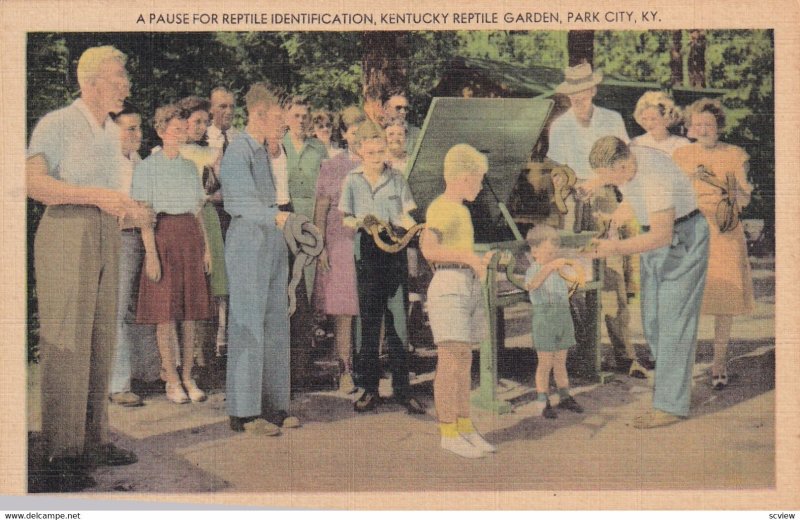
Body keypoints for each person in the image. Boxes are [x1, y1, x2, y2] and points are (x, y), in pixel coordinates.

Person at [27, 45, 147, 490]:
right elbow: (33, 183)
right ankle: (61, 451)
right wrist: (98, 197)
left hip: (106, 233)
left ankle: (94, 440)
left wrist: (125, 208)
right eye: (119, 77)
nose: (126, 85)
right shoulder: (57, 123)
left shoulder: (106, 132)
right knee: (67, 339)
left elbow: (108, 190)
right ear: (90, 81)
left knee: (101, 338)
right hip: (66, 232)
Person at [586, 136, 709, 428]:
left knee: (673, 325)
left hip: (683, 239)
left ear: (624, 163)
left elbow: (661, 236)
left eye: (610, 177)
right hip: (658, 238)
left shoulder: (653, 178)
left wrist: (614, 248)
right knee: (652, 320)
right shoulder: (631, 158)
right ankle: (673, 385)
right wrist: (616, 219)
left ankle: (670, 405)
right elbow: (633, 199)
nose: (610, 184)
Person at [547, 63, 644, 378]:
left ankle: (625, 357)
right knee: (574, 277)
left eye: (583, 90)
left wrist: (599, 184)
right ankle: (582, 357)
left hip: (604, 199)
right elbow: (557, 171)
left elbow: (624, 163)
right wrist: (572, 189)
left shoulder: (611, 119)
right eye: (572, 91)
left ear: (593, 90)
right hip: (572, 204)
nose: (578, 97)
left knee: (612, 276)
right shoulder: (560, 126)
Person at [220, 82, 300, 433]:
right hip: (249, 239)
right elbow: (238, 202)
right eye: (279, 116)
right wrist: (278, 217)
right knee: (248, 324)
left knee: (276, 322)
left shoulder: (266, 152)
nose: (283, 123)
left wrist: (284, 221)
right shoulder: (238, 151)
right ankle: (244, 412)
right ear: (259, 114)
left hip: (272, 237)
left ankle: (274, 405)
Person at [339, 120, 425, 415]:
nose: (377, 157)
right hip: (367, 253)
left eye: (381, 151)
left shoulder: (397, 178)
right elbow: (345, 218)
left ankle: (402, 389)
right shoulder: (352, 180)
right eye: (371, 152)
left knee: (398, 321)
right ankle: (368, 388)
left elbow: (405, 215)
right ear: (361, 151)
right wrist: (362, 222)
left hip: (395, 252)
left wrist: (420, 230)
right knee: (368, 323)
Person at [673, 98, 755, 390]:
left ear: (719, 126)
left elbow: (744, 199)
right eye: (698, 124)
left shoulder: (734, 154)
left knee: (724, 300)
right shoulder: (681, 156)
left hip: (725, 231)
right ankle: (685, 365)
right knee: (687, 301)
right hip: (692, 231)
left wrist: (733, 191)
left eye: (709, 124)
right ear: (689, 128)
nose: (704, 129)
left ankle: (719, 362)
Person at [132, 105, 212, 405]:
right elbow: (144, 216)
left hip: (190, 236)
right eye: (174, 129)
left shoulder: (190, 167)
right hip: (163, 237)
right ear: (161, 131)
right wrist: (152, 254)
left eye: (183, 129)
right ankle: (171, 378)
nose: (179, 135)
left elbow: (198, 211)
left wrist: (206, 250)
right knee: (165, 314)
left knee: (190, 314)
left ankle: (189, 375)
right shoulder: (147, 167)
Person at [420, 144, 495, 458]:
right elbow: (429, 250)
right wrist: (468, 257)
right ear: (464, 178)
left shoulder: (462, 210)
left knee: (464, 361)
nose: (481, 185)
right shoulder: (441, 207)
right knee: (450, 362)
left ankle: (464, 426)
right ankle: (447, 431)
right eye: (479, 179)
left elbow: (458, 251)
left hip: (466, 284)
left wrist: (478, 260)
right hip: (448, 286)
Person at [108, 103, 161, 407]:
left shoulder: (137, 161)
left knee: (136, 308)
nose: (138, 134)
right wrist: (137, 216)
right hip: (119, 240)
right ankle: (117, 384)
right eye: (131, 128)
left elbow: (146, 207)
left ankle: (145, 373)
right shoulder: (108, 164)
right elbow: (110, 210)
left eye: (140, 128)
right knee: (116, 310)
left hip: (140, 239)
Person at [312, 106, 365, 394]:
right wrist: (320, 246)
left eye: (363, 130)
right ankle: (343, 369)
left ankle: (367, 368)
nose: (359, 136)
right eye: (353, 131)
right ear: (344, 134)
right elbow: (320, 208)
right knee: (344, 309)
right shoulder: (332, 166)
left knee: (368, 307)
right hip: (339, 242)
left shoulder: (377, 164)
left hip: (369, 244)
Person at [177, 95, 229, 358]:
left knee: (212, 286)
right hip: (181, 220)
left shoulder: (211, 153)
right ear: (183, 122)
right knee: (186, 286)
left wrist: (209, 191)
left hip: (207, 217)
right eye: (196, 121)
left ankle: (205, 355)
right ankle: (183, 357)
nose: (200, 127)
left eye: (204, 123)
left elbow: (221, 190)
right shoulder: (171, 151)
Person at [282, 96, 328, 386]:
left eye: (305, 115)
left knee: (307, 294)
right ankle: (282, 366)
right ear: (286, 117)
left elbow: (324, 193)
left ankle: (301, 367)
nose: (301, 120)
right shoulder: (276, 145)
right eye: (296, 115)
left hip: (310, 225)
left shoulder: (318, 148)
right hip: (284, 225)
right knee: (287, 291)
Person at [524, 225, 585, 419]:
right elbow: (532, 285)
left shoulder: (559, 271)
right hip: (545, 318)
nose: (553, 256)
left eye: (554, 253)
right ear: (534, 251)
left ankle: (564, 396)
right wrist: (549, 267)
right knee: (545, 363)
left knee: (560, 361)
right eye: (549, 252)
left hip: (562, 316)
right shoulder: (534, 270)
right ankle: (543, 400)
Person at [206, 87, 238, 237]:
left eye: (232, 106)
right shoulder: (203, 140)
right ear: (211, 109)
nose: (229, 111)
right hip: (211, 213)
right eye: (223, 106)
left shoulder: (242, 139)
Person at [630, 91, 690, 155]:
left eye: (653, 119)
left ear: (667, 118)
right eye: (644, 119)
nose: (648, 124)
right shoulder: (636, 143)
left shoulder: (682, 144)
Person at [384, 92, 420, 156]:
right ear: (386, 109)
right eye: (398, 108)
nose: (403, 112)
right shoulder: (376, 131)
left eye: (405, 108)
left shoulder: (417, 134)